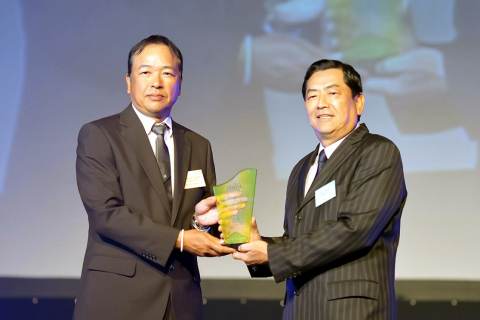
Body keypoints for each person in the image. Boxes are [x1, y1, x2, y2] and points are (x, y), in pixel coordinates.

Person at [200, 59, 407, 320]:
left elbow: (354, 231)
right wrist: (259, 243)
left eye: (332, 93)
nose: (321, 103)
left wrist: (273, 253)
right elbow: (297, 239)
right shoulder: (301, 168)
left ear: (359, 102)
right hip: (301, 310)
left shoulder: (378, 152)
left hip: (352, 311)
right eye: (312, 96)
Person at [73, 35, 234, 320]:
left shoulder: (199, 145)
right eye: (145, 72)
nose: (156, 82)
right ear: (128, 82)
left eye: (167, 73)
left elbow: (199, 224)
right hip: (117, 299)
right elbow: (106, 215)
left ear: (180, 83)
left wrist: (202, 223)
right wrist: (181, 239)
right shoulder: (100, 135)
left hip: (180, 301)